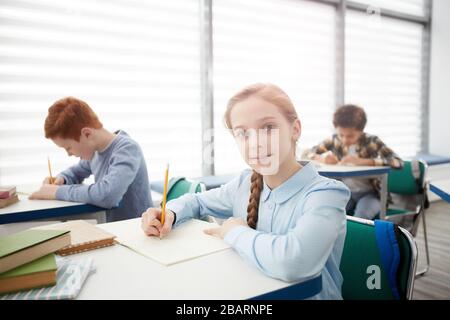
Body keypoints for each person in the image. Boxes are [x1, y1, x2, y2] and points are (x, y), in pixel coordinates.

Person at [141, 83, 350, 299]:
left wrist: (234, 232)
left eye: (268, 128)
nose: (255, 144)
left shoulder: (327, 194)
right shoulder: (244, 183)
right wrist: (169, 214)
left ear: (295, 129)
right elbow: (197, 201)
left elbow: (295, 261)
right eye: (242, 133)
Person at [30, 97, 152, 222]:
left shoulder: (127, 149)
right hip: (114, 228)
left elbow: (107, 195)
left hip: (136, 231)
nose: (69, 154)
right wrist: (61, 179)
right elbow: (76, 172)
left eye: (69, 147)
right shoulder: (95, 152)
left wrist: (57, 192)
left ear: (87, 134)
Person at [306, 104, 403, 220]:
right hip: (346, 192)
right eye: (341, 135)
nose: (344, 140)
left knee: (361, 216)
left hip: (372, 194)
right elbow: (308, 153)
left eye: (350, 136)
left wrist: (364, 161)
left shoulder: (371, 141)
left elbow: (397, 162)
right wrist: (322, 158)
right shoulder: (334, 140)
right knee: (331, 213)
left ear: (361, 131)